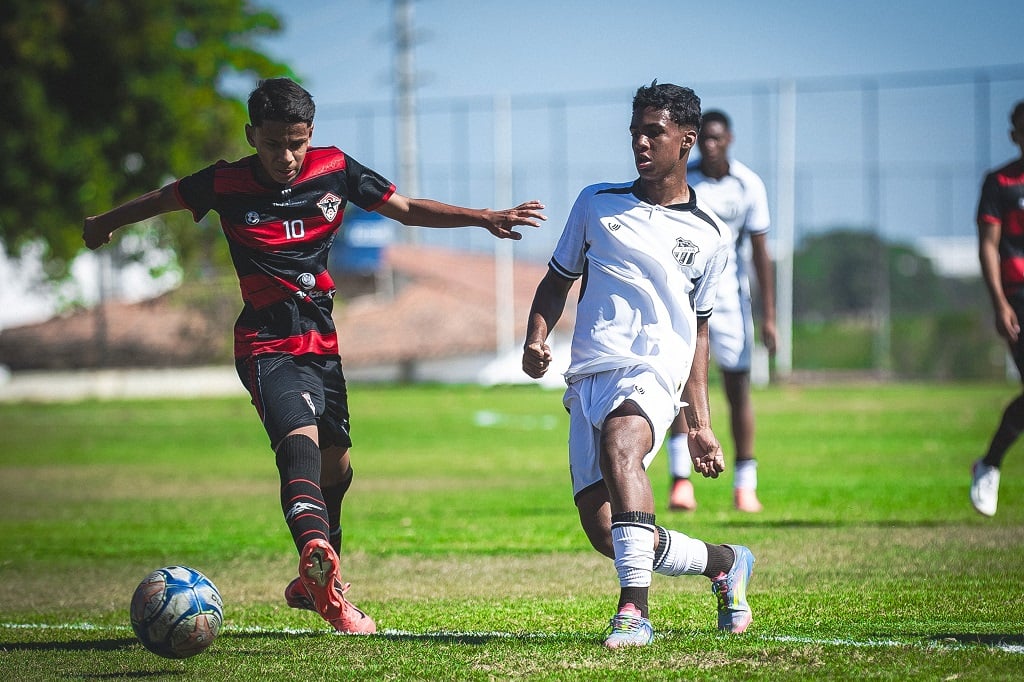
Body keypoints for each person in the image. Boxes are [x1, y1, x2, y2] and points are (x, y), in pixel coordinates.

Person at [83, 77, 546, 634]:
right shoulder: (226, 181)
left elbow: (403, 207)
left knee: (339, 469)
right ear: (252, 135)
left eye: (297, 142)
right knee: (297, 442)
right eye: (275, 142)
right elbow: (163, 199)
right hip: (265, 341)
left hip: (322, 343)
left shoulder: (333, 168)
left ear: (311, 135)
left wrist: (482, 217)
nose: (287, 155)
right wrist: (103, 224)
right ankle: (318, 558)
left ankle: (315, 581)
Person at [521, 81, 754, 648]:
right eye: (635, 132)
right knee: (607, 529)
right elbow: (557, 280)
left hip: (652, 371)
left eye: (655, 132)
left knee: (624, 447)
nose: (641, 143)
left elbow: (698, 332)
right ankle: (724, 563)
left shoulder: (708, 235)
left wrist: (698, 424)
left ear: (686, 141)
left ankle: (634, 611)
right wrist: (535, 335)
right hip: (589, 375)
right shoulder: (595, 203)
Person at [666, 110, 776, 514]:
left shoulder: (749, 185)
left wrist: (769, 316)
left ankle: (745, 485)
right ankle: (681, 481)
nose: (709, 145)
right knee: (680, 390)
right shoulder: (683, 179)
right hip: (684, 296)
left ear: (728, 138)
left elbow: (762, 253)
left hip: (730, 301)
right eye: (703, 139)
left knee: (737, 389)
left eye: (716, 138)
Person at [972, 99, 1024, 517]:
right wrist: (1000, 302)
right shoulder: (1001, 183)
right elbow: (988, 247)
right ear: (1014, 134)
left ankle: (989, 463)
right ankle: (988, 465)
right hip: (1018, 297)